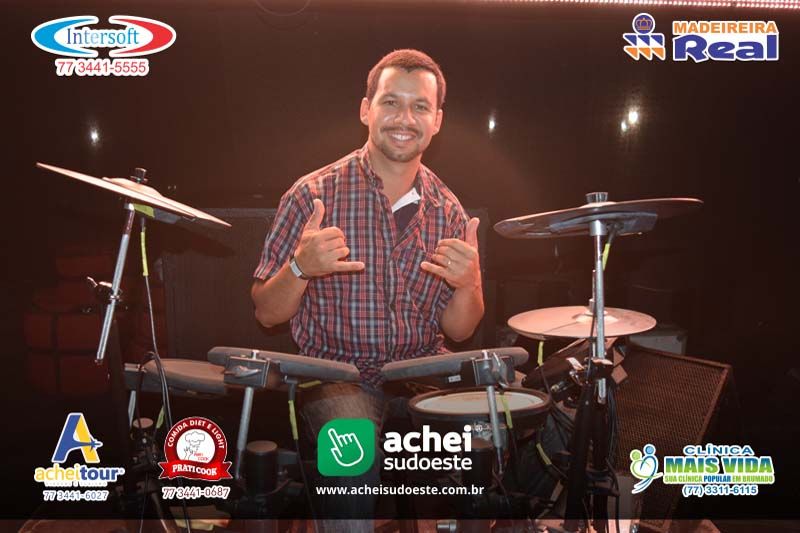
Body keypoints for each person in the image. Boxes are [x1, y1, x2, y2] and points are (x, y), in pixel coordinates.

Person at [251, 49, 484, 529]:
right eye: (391, 102)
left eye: (420, 106)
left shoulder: (449, 210)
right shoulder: (312, 195)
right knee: (350, 449)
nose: (405, 118)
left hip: (422, 371)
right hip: (337, 376)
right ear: (366, 110)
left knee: (499, 434)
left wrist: (470, 283)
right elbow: (266, 314)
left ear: (437, 121)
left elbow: (461, 330)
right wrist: (299, 267)